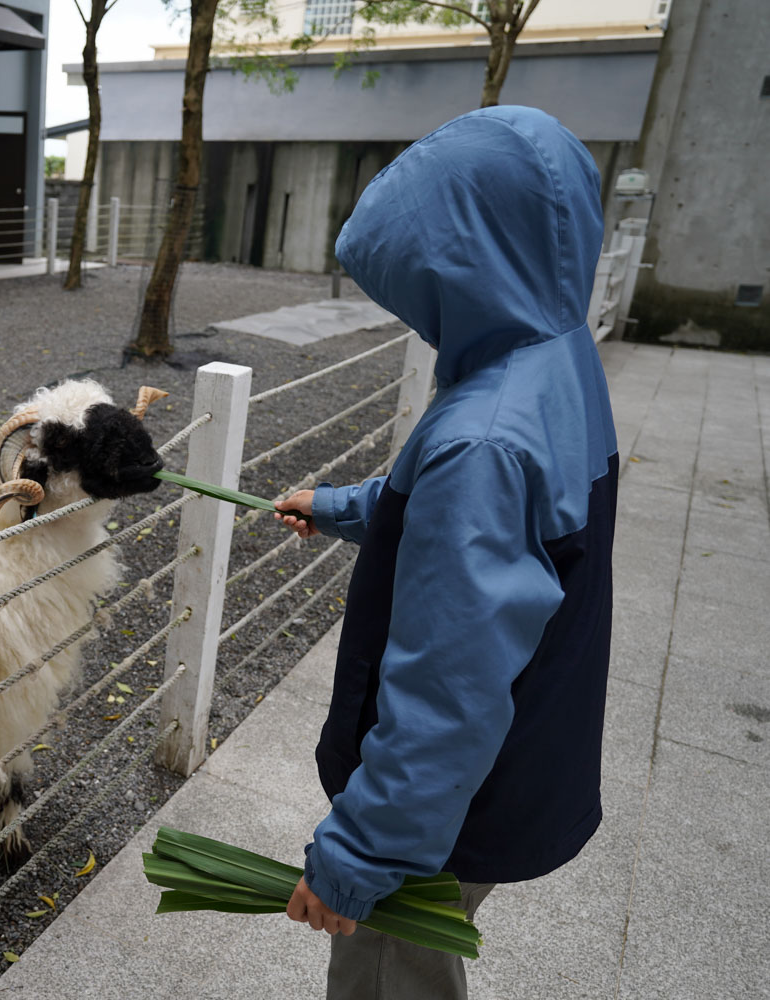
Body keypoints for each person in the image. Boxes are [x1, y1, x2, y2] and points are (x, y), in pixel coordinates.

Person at [271, 106, 618, 1000]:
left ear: (458, 274)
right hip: (523, 760)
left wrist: (361, 851)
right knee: (418, 958)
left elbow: (449, 689)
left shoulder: (483, 439)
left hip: (457, 801)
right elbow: (506, 526)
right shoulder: (554, 355)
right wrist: (353, 508)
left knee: (389, 969)